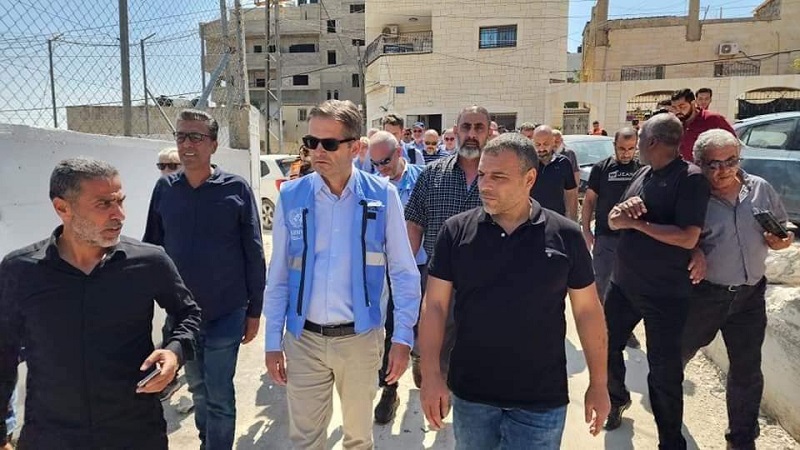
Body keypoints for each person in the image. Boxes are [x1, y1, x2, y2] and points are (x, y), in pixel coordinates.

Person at [418, 133, 610, 449]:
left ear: (529, 179)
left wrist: (599, 383)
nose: (484, 185)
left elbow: (587, 311)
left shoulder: (565, 235)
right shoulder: (456, 231)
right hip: (472, 395)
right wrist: (430, 375)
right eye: (482, 174)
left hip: (541, 399)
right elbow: (435, 306)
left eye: (498, 177)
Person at [0, 157, 201, 450]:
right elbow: (3, 352)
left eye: (120, 201)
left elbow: (188, 314)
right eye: (104, 204)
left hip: (134, 433)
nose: (119, 214)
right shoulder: (21, 271)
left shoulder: (149, 261)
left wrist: (174, 352)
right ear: (62, 208)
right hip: (51, 435)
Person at [263, 100, 421, 448]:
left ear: (355, 147)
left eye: (329, 143)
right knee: (305, 440)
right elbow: (278, 276)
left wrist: (402, 338)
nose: (317, 151)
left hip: (360, 340)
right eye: (311, 141)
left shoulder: (382, 195)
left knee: (358, 440)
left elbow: (403, 272)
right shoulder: (292, 195)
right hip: (304, 340)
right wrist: (273, 341)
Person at [143, 109, 266, 450]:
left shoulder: (236, 189)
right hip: (183, 317)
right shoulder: (165, 189)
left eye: (196, 137)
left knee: (219, 394)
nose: (187, 144)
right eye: (181, 136)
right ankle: (206, 442)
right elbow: (152, 247)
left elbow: (254, 252)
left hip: (226, 311)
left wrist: (255, 310)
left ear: (213, 144)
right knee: (198, 390)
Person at [603, 114, 711, 449]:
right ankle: (617, 398)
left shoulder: (690, 178)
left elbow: (688, 236)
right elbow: (614, 219)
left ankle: (670, 442)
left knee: (664, 373)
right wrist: (621, 215)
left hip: (665, 294)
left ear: (651, 141)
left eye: (640, 138)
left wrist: (638, 224)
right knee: (605, 345)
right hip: (623, 285)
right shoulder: (643, 173)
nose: (636, 144)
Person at [682, 129, 793, 450]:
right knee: (674, 358)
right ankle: (667, 419)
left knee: (747, 370)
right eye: (713, 164)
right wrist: (693, 251)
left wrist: (782, 240)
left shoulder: (760, 188)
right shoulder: (690, 196)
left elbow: (784, 228)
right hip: (705, 296)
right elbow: (671, 236)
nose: (723, 170)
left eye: (731, 161)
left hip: (750, 296)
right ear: (698, 163)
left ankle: (741, 440)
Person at [405, 105, 489, 388]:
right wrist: (406, 273)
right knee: (436, 348)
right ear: (455, 131)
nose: (472, 134)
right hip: (438, 278)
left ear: (488, 133)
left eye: (479, 128)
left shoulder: (501, 177)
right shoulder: (431, 175)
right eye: (466, 127)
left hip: (487, 280)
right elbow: (414, 223)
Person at [367, 130, 428, 424]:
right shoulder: (372, 187)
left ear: (400, 152)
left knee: (425, 324)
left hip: (423, 266)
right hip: (388, 272)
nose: (382, 168)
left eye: (386, 161)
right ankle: (389, 390)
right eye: (375, 163)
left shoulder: (424, 180)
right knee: (390, 328)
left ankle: (420, 356)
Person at [581, 127, 642, 349]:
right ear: (614, 146)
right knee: (602, 281)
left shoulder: (642, 169)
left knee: (630, 285)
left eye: (630, 148)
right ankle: (602, 324)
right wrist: (586, 230)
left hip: (634, 238)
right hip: (606, 237)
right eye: (621, 148)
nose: (626, 153)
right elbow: (589, 200)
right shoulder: (602, 168)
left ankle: (625, 329)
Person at [527, 125, 579, 220]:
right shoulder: (527, 164)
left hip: (556, 220)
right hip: (531, 220)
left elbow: (571, 194)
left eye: (545, 144)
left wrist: (572, 221)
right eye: (538, 144)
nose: (541, 148)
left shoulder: (564, 163)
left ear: (552, 142)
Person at [671, 88, 735, 162]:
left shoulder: (713, 119)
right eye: (674, 108)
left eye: (682, 107)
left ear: (693, 103)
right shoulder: (674, 124)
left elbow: (733, 143)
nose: (678, 111)